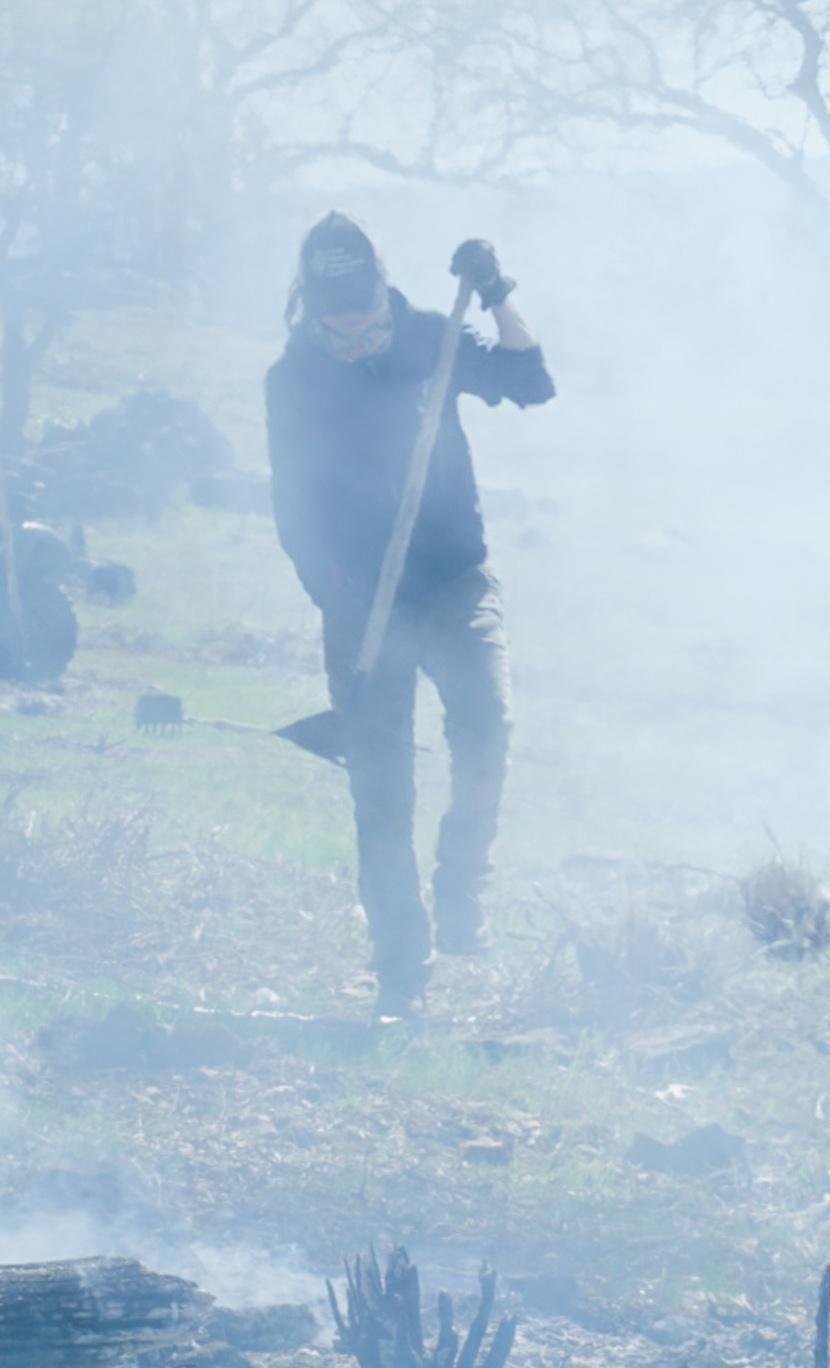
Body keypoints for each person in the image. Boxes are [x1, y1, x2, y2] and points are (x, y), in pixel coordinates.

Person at [265, 212, 555, 1018]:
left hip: (458, 579)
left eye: (367, 322)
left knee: (487, 728)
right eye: (338, 326)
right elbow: (293, 510)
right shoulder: (290, 382)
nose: (356, 338)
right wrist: (345, 598)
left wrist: (497, 296)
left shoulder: (434, 336)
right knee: (382, 789)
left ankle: (463, 894)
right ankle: (401, 970)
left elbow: (531, 380)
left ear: (384, 302)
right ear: (311, 313)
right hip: (357, 600)